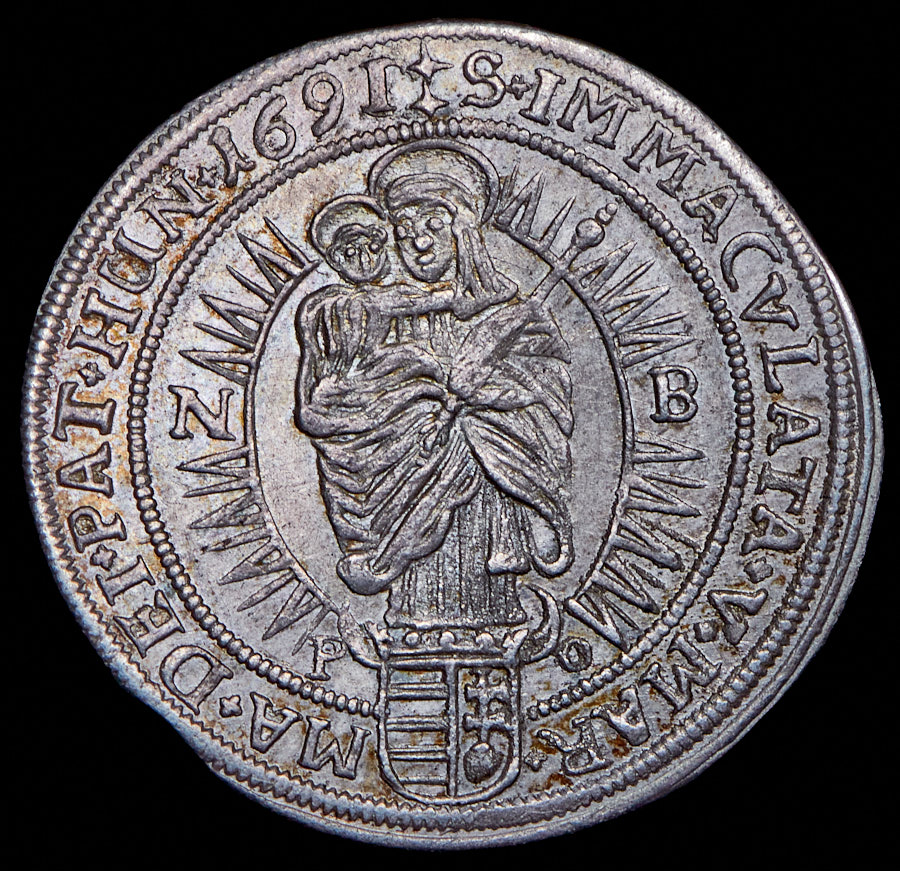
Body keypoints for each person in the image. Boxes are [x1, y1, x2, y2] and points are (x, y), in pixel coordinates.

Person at [296, 142, 575, 632]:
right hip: (399, 498)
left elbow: (548, 391)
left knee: (482, 595)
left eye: (432, 225)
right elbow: (341, 399)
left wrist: (486, 398)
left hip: (487, 498)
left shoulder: (515, 318)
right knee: (419, 605)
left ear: (463, 229)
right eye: (405, 232)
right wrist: (414, 393)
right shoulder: (366, 312)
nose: (419, 242)